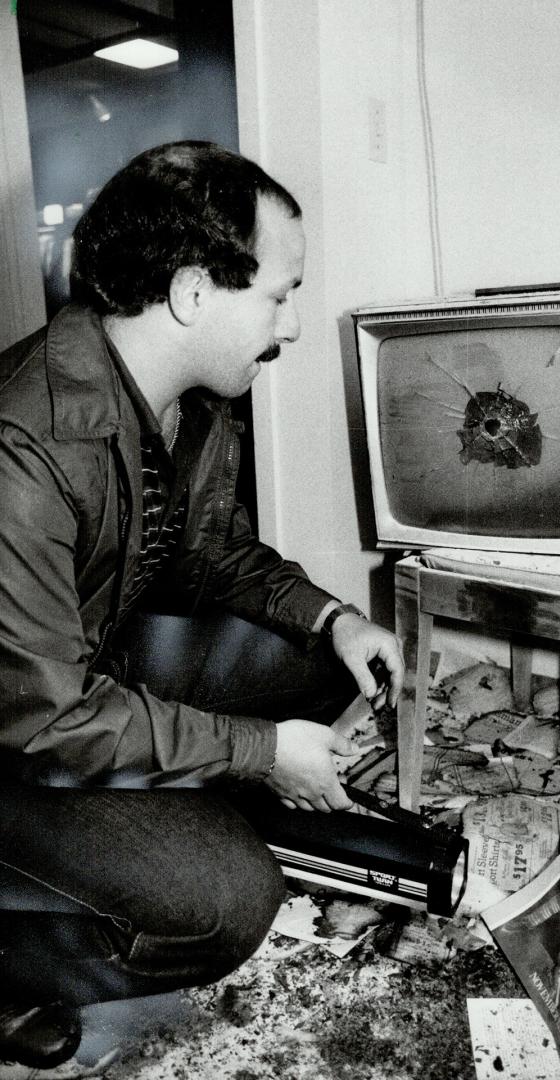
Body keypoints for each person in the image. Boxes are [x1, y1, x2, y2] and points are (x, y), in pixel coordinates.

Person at [0, 141, 404, 1073]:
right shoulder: (21, 446)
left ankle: (166, 810)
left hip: (73, 675)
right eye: (278, 294)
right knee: (227, 898)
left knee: (307, 658)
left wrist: (336, 618)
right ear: (192, 293)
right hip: (17, 736)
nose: (292, 324)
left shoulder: (187, 399)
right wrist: (261, 753)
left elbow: (214, 554)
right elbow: (48, 721)